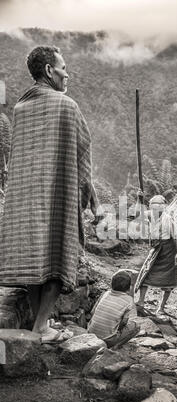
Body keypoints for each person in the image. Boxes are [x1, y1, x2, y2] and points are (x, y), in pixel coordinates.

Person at [0, 46, 98, 343]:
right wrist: (88, 190)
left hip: (25, 199)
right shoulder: (65, 105)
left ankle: (38, 323)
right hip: (56, 196)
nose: (67, 74)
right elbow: (81, 151)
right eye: (63, 67)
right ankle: (41, 326)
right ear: (48, 71)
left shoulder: (20, 108)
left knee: (32, 259)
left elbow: (19, 156)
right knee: (59, 254)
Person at [134, 192, 177, 315]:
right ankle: (141, 301)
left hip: (169, 250)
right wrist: (139, 199)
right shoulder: (150, 215)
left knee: (169, 280)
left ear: (162, 208)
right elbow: (137, 214)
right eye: (152, 208)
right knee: (146, 273)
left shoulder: (168, 219)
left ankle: (161, 307)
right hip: (156, 249)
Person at [88, 270, 140, 348]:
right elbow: (125, 322)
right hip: (108, 339)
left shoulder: (105, 294)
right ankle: (116, 345)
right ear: (128, 288)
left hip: (90, 334)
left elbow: (92, 312)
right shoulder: (129, 300)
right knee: (136, 326)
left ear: (111, 284)